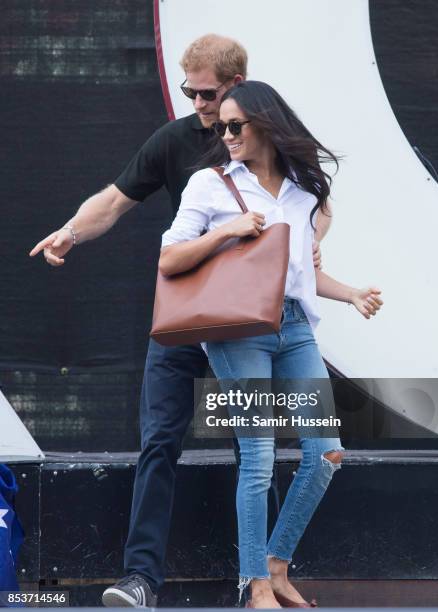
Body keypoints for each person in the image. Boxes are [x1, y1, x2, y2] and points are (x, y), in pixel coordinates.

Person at [29, 36, 327, 608]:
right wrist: (70, 230)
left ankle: (256, 581)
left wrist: (311, 248)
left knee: (258, 448)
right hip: (191, 315)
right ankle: (142, 579)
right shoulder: (177, 141)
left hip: (251, 323)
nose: (198, 103)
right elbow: (115, 203)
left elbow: (315, 201)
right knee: (160, 439)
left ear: (238, 87)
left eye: (208, 93)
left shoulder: (267, 142)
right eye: (190, 91)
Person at [159, 80, 383, 608]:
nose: (227, 134)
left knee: (325, 452)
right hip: (239, 334)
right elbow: (169, 260)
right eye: (222, 127)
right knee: (258, 458)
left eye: (237, 125)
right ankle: (253, 582)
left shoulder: (302, 191)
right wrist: (227, 231)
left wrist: (349, 293)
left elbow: (297, 274)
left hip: (295, 327)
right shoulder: (210, 185)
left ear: (265, 125)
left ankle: (277, 565)